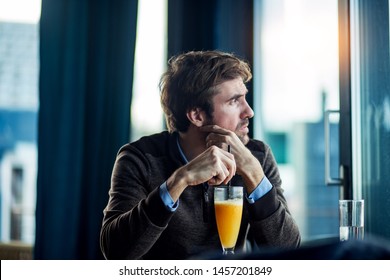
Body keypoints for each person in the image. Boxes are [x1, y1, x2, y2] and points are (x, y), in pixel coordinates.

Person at [100, 50, 301, 260]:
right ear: (197, 115)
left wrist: (253, 174)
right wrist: (180, 180)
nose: (249, 112)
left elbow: (289, 251)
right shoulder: (140, 159)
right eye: (234, 101)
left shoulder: (256, 156)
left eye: (245, 98)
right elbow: (115, 252)